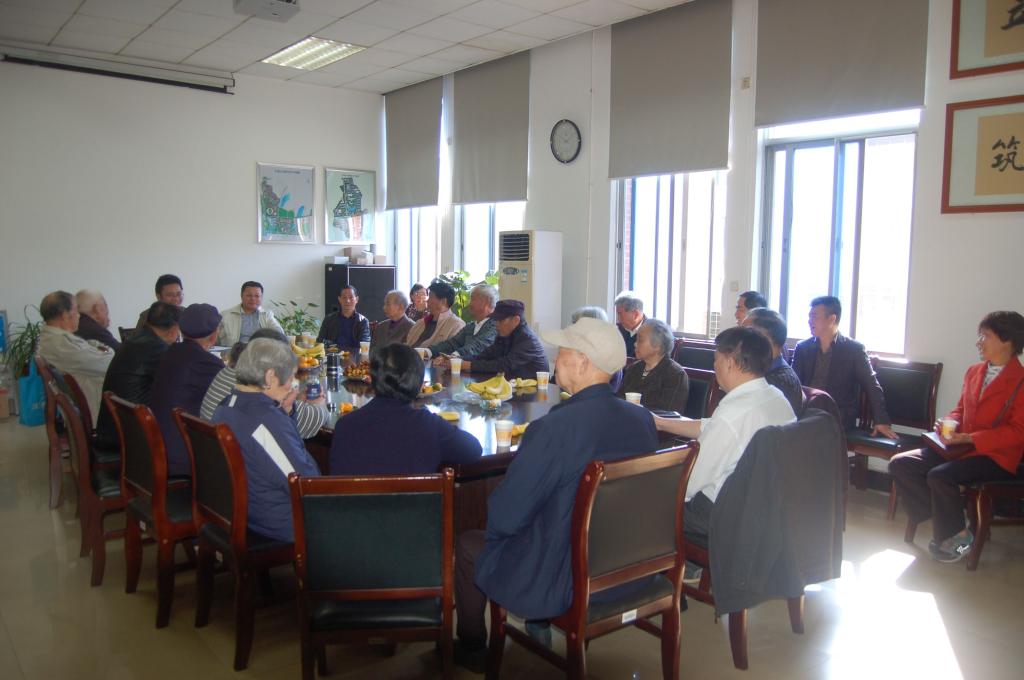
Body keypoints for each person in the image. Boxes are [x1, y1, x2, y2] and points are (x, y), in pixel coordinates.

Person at [453, 317, 659, 670]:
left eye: (562, 351)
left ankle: (472, 648)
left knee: (470, 544)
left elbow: (506, 516)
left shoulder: (553, 428)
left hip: (568, 575)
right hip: (631, 564)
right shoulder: (641, 420)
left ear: (583, 363)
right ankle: (537, 624)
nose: (555, 358)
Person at [889, 311, 1024, 563]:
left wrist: (970, 439)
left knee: (940, 476)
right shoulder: (974, 371)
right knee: (901, 463)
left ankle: (957, 540)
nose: (979, 342)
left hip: (995, 456)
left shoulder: (1021, 381)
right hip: (961, 448)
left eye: (985, 336)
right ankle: (951, 528)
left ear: (1008, 341)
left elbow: (1018, 433)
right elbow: (961, 409)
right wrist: (947, 422)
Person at [654, 326, 796, 539]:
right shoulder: (776, 397)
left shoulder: (732, 414)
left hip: (723, 513)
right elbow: (714, 426)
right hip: (769, 505)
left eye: (716, 360)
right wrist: (661, 423)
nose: (714, 366)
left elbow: (691, 483)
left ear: (730, 363)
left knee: (645, 498)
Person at [211, 338, 321, 543]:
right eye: (290, 377)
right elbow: (307, 484)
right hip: (279, 522)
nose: (292, 385)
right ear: (270, 376)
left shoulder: (226, 404)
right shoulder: (265, 420)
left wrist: (286, 415)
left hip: (243, 510)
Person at [329, 344, 482, 475]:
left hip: (357, 502)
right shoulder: (430, 425)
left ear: (371, 379)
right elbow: (473, 450)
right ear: (419, 384)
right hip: (416, 502)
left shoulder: (345, 425)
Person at [792, 296, 896, 437]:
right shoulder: (803, 347)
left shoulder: (853, 349)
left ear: (832, 319)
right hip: (806, 410)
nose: (810, 321)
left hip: (837, 413)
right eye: (809, 316)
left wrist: (881, 420)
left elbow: (871, 385)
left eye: (815, 316)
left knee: (807, 431)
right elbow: (794, 384)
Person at [200, 329, 327, 439]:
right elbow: (314, 420)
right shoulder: (258, 388)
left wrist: (295, 398)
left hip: (221, 452)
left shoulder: (227, 372)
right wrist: (318, 403)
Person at [150, 303, 224, 477]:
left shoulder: (171, 352)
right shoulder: (207, 363)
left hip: (155, 445)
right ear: (214, 335)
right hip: (181, 453)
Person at [94, 302, 182, 447]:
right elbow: (178, 385)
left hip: (112, 427)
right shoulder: (159, 349)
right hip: (130, 436)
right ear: (173, 330)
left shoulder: (134, 340)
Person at [36, 290, 114, 426]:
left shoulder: (56, 339)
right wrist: (109, 352)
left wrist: (100, 349)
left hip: (97, 397)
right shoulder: (60, 345)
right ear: (65, 315)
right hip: (100, 408)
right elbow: (108, 365)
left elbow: (94, 345)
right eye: (76, 310)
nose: (79, 315)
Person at [461, 300, 548, 380]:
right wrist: (460, 360)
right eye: (496, 320)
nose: (496, 324)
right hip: (511, 385)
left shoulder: (528, 340)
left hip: (533, 388)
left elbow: (505, 365)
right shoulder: (505, 334)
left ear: (516, 320)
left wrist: (470, 365)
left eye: (500, 321)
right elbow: (486, 355)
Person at [617, 319, 689, 414]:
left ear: (657, 346)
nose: (635, 344)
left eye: (640, 340)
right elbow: (619, 399)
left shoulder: (675, 374)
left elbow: (668, 414)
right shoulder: (633, 368)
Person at [742, 307, 803, 415]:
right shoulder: (762, 371)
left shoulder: (781, 382)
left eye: (745, 334)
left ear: (765, 338)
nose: (740, 341)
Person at [427, 284, 498, 364]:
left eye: (473, 299)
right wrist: (428, 351)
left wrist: (453, 356)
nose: (469, 303)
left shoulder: (495, 326)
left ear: (486, 302)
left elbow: (478, 346)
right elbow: (452, 343)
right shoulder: (471, 326)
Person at [217, 281, 284, 346]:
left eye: (257, 296)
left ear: (261, 297)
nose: (253, 299)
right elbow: (214, 339)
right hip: (235, 351)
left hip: (261, 351)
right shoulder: (225, 315)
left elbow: (280, 334)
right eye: (249, 295)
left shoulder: (267, 315)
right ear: (241, 296)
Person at [405, 279, 465, 348]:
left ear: (443, 301)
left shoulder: (456, 325)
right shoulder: (420, 323)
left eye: (430, 297)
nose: (427, 300)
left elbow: (450, 351)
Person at [316, 284, 370, 351]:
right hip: (333, 355)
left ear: (357, 299)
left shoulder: (363, 321)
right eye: (344, 298)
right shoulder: (329, 319)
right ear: (339, 299)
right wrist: (333, 347)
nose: (347, 301)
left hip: (354, 356)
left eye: (351, 297)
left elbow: (364, 344)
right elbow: (320, 341)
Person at [614, 291, 647, 358]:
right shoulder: (616, 330)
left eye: (620, 314)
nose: (618, 319)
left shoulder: (653, 333)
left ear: (635, 314)